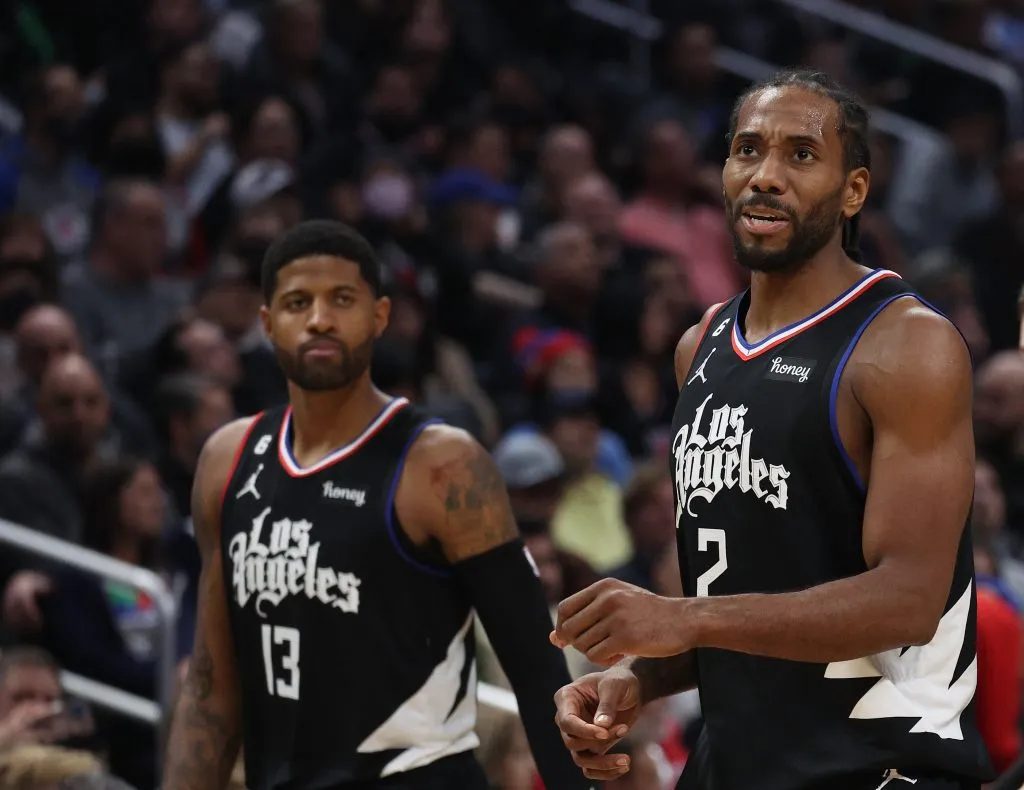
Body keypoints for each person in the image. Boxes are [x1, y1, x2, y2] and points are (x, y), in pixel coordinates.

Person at [550, 69, 993, 790]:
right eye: (748, 150)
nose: (766, 176)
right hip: (738, 761)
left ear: (854, 191)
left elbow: (909, 599)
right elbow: (744, 597)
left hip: (876, 766)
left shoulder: (904, 345)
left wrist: (683, 619)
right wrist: (639, 674)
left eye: (801, 155)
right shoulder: (701, 346)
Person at [161, 220, 593, 790]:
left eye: (342, 299)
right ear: (267, 323)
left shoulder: (442, 463)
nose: (319, 319)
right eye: (297, 302)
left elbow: (538, 674)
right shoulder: (228, 457)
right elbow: (211, 686)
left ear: (380, 316)